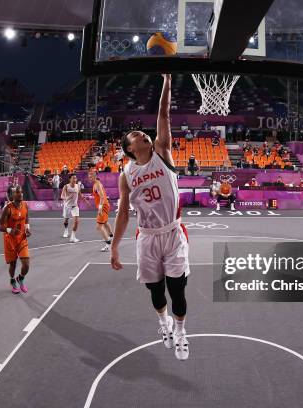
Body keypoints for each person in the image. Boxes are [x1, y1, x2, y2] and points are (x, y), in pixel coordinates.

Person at [111, 74, 190, 360]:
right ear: (130, 148)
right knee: (156, 291)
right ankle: (164, 323)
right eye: (136, 136)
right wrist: (115, 245)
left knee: (177, 288)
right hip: (146, 236)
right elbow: (121, 212)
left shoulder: (162, 152)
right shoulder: (126, 174)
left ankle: (181, 332)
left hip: (171, 232)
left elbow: (164, 114)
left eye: (143, 133)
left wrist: (167, 81)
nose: (142, 134)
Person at [0, 186, 31, 294]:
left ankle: (20, 278)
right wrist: (10, 230)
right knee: (13, 264)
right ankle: (12, 280)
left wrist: (27, 229)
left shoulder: (25, 205)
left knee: (26, 264)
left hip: (21, 238)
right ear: (12, 195)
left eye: (21, 191)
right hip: (10, 240)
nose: (20, 194)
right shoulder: (7, 208)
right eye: (17, 192)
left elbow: (26, 219)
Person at [88, 172, 114, 252]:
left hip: (103, 206)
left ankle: (108, 245)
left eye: (91, 177)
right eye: (89, 177)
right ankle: (111, 237)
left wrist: (100, 208)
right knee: (105, 222)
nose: (89, 178)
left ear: (95, 177)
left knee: (99, 227)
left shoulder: (97, 184)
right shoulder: (96, 183)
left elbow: (102, 197)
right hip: (104, 205)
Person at [61, 174, 85, 243]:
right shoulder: (66, 186)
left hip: (75, 206)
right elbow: (62, 196)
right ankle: (66, 230)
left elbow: (79, 193)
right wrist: (66, 198)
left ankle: (73, 237)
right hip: (67, 206)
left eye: (75, 178)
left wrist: (83, 198)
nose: (75, 180)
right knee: (66, 220)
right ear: (70, 179)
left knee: (76, 221)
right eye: (73, 178)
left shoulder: (77, 186)